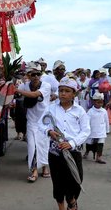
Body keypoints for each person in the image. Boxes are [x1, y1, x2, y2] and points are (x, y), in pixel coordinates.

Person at [39, 77, 90, 210]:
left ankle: (72, 200)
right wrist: (49, 131)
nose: (63, 93)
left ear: (74, 94)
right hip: (55, 153)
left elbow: (86, 131)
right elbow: (41, 123)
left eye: (67, 91)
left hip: (73, 152)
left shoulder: (79, 111)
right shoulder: (51, 108)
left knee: (76, 181)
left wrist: (72, 143)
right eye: (61, 90)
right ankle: (61, 207)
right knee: (58, 183)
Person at [16, 62, 52, 182]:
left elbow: (35, 95)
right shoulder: (24, 85)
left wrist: (18, 90)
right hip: (31, 120)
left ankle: (45, 167)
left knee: (43, 144)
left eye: (38, 74)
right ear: (28, 75)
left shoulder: (45, 85)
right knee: (32, 145)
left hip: (44, 120)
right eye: (33, 74)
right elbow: (13, 92)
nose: (36, 76)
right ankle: (34, 170)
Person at [84, 92, 110, 164]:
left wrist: (107, 130)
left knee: (100, 144)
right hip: (92, 131)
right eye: (98, 102)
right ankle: (87, 151)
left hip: (101, 131)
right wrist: (85, 130)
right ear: (93, 102)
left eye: (101, 103)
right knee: (89, 144)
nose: (99, 104)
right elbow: (86, 121)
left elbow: (106, 121)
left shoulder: (104, 111)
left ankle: (99, 157)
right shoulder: (90, 111)